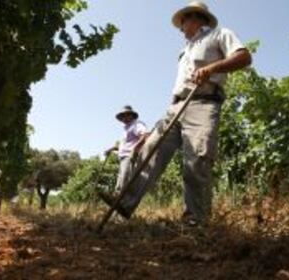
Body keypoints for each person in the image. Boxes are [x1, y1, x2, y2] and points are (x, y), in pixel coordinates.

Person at [99, 1, 252, 226]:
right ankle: (125, 202)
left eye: (182, 23)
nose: (180, 28)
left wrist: (211, 69)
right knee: (151, 149)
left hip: (203, 103)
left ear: (194, 18)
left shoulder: (220, 34)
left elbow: (244, 57)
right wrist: (171, 107)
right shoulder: (185, 50)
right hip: (176, 107)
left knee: (196, 161)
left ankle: (195, 220)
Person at [104, 105, 148, 193]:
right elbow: (124, 145)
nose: (124, 118)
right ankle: (117, 197)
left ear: (131, 115)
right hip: (123, 157)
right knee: (121, 178)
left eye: (126, 115)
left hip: (130, 156)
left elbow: (145, 135)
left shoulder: (136, 125)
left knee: (125, 177)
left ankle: (120, 198)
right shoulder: (126, 129)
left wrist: (135, 148)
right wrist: (111, 149)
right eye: (123, 116)